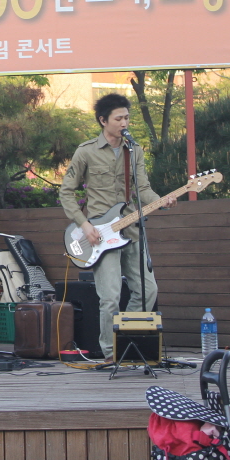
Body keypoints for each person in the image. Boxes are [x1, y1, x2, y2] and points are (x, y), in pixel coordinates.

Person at [59, 93, 175, 361]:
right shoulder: (86, 151)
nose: (124, 123)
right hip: (100, 234)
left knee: (148, 290)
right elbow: (66, 192)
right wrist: (84, 225)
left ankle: (126, 340)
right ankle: (111, 352)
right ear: (103, 120)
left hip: (130, 229)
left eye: (127, 118)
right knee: (110, 297)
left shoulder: (134, 151)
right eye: (119, 118)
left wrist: (162, 201)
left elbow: (143, 189)